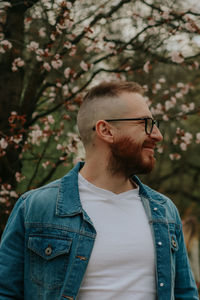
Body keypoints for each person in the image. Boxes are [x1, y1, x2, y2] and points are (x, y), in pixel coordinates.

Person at [0, 81, 198, 300]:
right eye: (146, 124)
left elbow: (185, 294)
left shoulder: (165, 211)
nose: (158, 135)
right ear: (106, 130)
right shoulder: (35, 208)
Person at [182, 215, 200, 288]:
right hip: (189, 276)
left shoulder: (179, 237)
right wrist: (198, 278)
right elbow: (194, 261)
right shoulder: (193, 241)